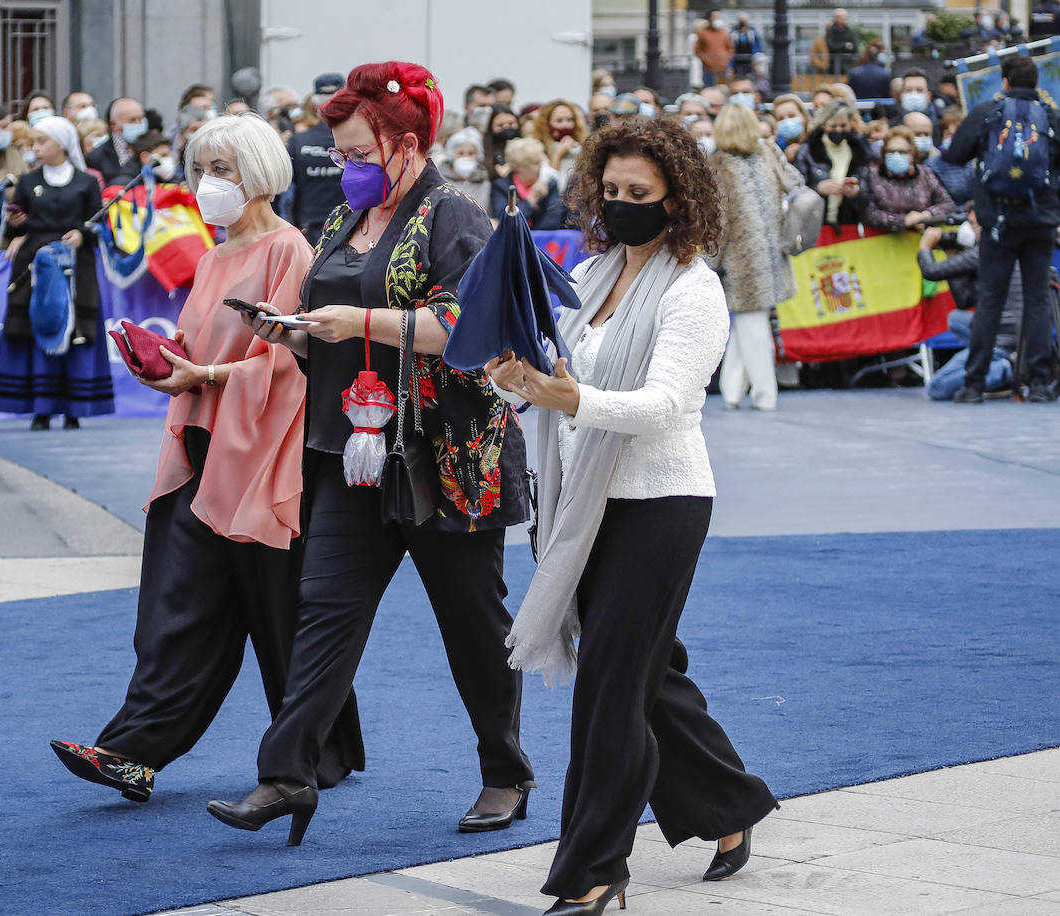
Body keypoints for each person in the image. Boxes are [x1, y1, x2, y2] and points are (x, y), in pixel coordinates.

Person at [209, 60, 535, 846]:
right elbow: (325, 319)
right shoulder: (336, 221)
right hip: (350, 453)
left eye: (361, 154)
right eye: (341, 155)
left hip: (445, 457)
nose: (347, 169)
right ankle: (286, 775)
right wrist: (287, 333)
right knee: (323, 615)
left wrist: (357, 324)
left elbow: (464, 328)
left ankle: (505, 771)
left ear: (409, 144)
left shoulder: (455, 215)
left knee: (472, 624)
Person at [484, 115, 778, 915]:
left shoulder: (695, 288)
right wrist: (518, 378)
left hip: (661, 503)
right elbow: (554, 375)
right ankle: (730, 802)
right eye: (609, 190)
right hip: (583, 502)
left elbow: (666, 404)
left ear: (679, 198)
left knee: (611, 684)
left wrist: (569, 395)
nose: (618, 204)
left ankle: (593, 867)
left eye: (638, 194)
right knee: (646, 675)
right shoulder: (588, 271)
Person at [51, 112, 363, 803]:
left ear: (258, 173)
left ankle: (322, 751)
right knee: (176, 608)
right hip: (199, 448)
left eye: (220, 170)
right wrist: (170, 370)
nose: (206, 183)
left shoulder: (290, 251)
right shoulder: (211, 257)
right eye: (200, 169)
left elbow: (290, 364)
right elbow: (203, 356)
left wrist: (204, 378)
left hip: (261, 457)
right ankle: (129, 750)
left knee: (281, 616)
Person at [942, 53, 1060, 402]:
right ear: (1036, 83)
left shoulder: (985, 113)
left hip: (997, 221)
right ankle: (1039, 383)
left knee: (990, 301)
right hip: (1041, 220)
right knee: (1037, 300)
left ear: (1004, 82)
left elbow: (955, 157)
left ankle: (974, 383)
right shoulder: (1051, 116)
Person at [0, 116, 115, 427]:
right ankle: (40, 408)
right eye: (34, 142)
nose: (35, 148)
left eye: (42, 141)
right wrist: (18, 225)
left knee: (75, 331)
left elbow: (99, 225)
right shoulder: (28, 182)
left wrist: (83, 235)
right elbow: (22, 221)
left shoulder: (85, 182)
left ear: (62, 144)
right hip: (37, 262)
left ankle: (74, 409)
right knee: (39, 326)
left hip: (76, 263)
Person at [710, 104, 796, 411]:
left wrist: (711, 262)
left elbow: (719, 220)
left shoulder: (717, 165)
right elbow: (793, 186)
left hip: (739, 257)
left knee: (751, 326)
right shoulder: (767, 154)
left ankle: (761, 394)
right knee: (751, 324)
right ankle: (736, 391)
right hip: (771, 250)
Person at [918, 215, 1021, 400]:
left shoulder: (985, 251)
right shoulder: (1013, 246)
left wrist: (925, 247)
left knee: (937, 387)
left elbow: (931, 272)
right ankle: (998, 369)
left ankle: (1009, 368)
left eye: (973, 224)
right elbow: (965, 301)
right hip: (1018, 332)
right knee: (956, 319)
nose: (968, 228)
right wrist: (952, 254)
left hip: (1000, 341)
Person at [288, 74, 346, 245]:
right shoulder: (357, 140)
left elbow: (287, 191)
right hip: (348, 225)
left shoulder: (298, 141)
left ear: (314, 103)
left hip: (308, 228)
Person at [862, 126, 954, 233]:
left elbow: (948, 204)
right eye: (891, 151)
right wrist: (904, 221)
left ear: (912, 154)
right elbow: (870, 214)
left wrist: (925, 215)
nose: (896, 156)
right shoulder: (871, 175)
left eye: (902, 152)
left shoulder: (925, 173)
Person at [795, 99, 870, 228]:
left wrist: (857, 191)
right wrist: (817, 189)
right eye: (833, 126)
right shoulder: (808, 150)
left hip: (850, 223)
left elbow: (870, 186)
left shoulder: (860, 149)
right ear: (824, 125)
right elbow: (797, 189)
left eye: (843, 125)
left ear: (850, 124)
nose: (838, 130)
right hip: (816, 223)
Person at [492, 137, 564, 229]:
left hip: (542, 241)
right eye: (536, 163)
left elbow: (554, 220)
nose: (541, 167)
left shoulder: (549, 184)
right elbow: (504, 221)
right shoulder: (501, 186)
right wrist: (531, 199)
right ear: (519, 167)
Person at [87, 97, 148, 186]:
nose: (138, 124)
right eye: (132, 120)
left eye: (141, 119)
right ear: (113, 125)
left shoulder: (152, 147)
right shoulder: (96, 157)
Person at [530, 100, 587, 185]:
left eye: (569, 120)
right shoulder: (538, 150)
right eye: (559, 121)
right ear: (547, 125)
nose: (566, 125)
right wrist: (558, 155)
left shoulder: (582, 147)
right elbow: (546, 183)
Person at [928, 108, 974, 205]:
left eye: (957, 135)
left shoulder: (973, 163)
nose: (953, 139)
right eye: (949, 134)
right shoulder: (931, 166)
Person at [442, 127, 491, 210]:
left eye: (471, 153)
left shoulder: (485, 183)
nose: (466, 157)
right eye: (460, 153)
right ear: (451, 155)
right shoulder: (442, 181)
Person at [695, 14, 734, 88]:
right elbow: (697, 50)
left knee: (723, 89)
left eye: (718, 17)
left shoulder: (724, 33)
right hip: (708, 68)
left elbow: (730, 48)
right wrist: (706, 60)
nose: (717, 19)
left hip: (722, 67)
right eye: (714, 17)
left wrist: (726, 59)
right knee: (709, 88)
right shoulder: (703, 33)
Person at [485, 104, 522, 178]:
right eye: (500, 125)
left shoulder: (527, 145)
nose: (506, 127)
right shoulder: (485, 150)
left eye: (511, 123)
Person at [771, 94, 809, 162]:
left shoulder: (818, 141)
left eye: (791, 116)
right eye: (781, 118)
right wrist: (783, 159)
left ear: (804, 116)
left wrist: (804, 152)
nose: (787, 121)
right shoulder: (775, 147)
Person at [826, 8, 858, 78]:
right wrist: (844, 45)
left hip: (848, 64)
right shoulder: (831, 31)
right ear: (837, 18)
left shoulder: (851, 31)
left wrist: (840, 46)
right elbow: (830, 45)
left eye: (846, 17)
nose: (846, 19)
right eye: (844, 17)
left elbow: (855, 46)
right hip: (833, 65)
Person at [731, 14, 763, 78]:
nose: (742, 25)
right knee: (738, 76)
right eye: (741, 22)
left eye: (744, 22)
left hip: (750, 60)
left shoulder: (752, 32)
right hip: (737, 60)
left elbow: (757, 46)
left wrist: (755, 57)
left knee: (750, 76)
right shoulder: (733, 33)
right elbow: (731, 47)